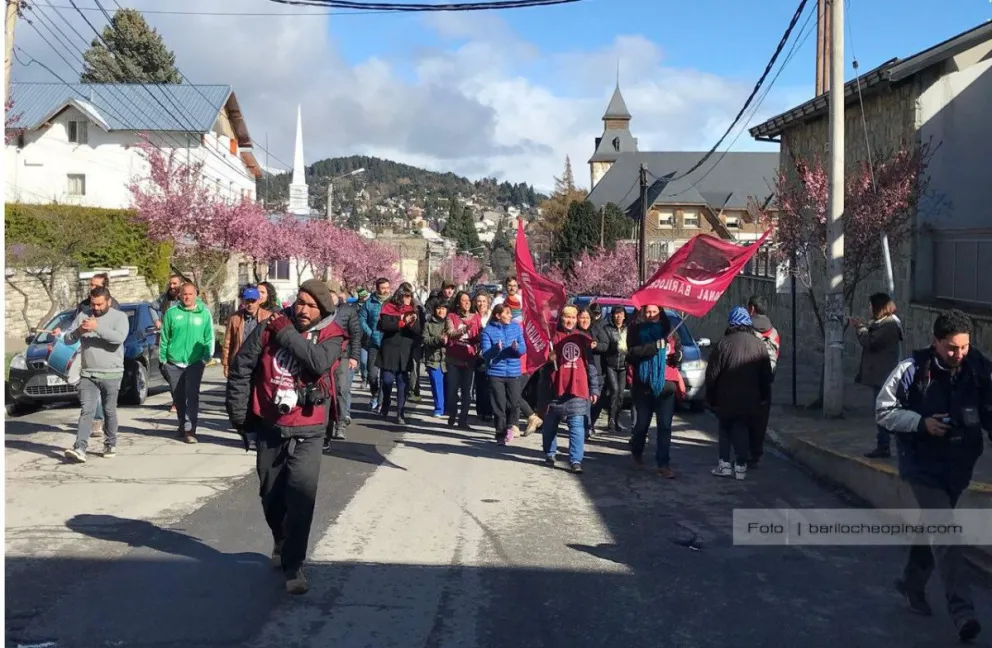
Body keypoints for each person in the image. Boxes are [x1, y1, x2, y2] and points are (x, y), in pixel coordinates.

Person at [876, 309, 991, 642]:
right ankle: (963, 612)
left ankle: (912, 583)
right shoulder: (912, 370)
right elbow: (883, 411)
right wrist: (920, 423)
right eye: (951, 348)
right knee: (946, 532)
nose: (959, 354)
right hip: (921, 464)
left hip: (960, 465)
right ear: (936, 342)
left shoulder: (980, 370)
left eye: (964, 347)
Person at [225, 279, 345, 596]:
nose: (302, 309)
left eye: (310, 305)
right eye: (299, 302)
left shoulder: (332, 333)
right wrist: (239, 416)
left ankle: (294, 566)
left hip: (310, 427)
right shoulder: (268, 328)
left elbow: (318, 362)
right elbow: (242, 367)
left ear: (323, 310)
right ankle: (280, 538)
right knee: (270, 494)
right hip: (270, 423)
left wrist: (285, 332)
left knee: (301, 497)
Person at [704, 307, 773, 481]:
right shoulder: (759, 345)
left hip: (725, 397)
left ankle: (725, 464)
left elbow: (712, 374)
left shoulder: (724, 344)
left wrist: (710, 396)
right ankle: (741, 466)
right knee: (742, 428)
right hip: (751, 398)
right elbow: (766, 375)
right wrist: (763, 397)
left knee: (726, 429)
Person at [61, 286, 129, 463]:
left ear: (108, 301)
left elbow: (118, 339)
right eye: (93, 304)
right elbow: (67, 338)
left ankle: (110, 443)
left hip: (112, 373)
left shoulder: (119, 317)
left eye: (99, 304)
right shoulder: (83, 315)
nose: (96, 308)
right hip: (88, 373)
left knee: (109, 410)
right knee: (87, 411)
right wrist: (79, 332)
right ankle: (80, 448)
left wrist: (97, 327)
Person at [540, 305, 601, 473]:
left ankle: (575, 460)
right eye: (567, 317)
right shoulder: (552, 338)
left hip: (578, 389)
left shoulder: (583, 339)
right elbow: (542, 365)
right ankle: (550, 453)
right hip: (555, 389)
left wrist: (594, 388)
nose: (570, 320)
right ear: (561, 318)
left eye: (573, 317)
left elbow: (591, 367)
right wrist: (548, 358)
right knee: (550, 426)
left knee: (577, 427)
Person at [626, 304, 683, 479]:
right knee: (642, 424)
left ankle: (663, 464)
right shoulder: (636, 330)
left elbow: (678, 352)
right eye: (647, 312)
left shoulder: (669, 330)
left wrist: (677, 357)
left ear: (660, 312)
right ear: (643, 313)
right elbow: (631, 354)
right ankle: (637, 453)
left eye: (654, 312)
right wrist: (654, 347)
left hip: (665, 385)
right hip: (643, 385)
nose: (651, 315)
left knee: (665, 426)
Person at [159, 282, 214, 443]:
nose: (187, 297)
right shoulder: (172, 313)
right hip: (174, 362)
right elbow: (164, 337)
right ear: (179, 295)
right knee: (178, 396)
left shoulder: (204, 313)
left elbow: (209, 337)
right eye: (184, 294)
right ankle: (182, 424)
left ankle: (191, 429)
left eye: (190, 294)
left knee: (192, 395)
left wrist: (206, 358)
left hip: (195, 362)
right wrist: (163, 359)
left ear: (195, 295)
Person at [853, 292, 904, 458]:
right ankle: (884, 445)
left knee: (884, 412)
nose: (869, 308)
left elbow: (871, 342)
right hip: (880, 374)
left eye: (871, 305)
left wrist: (860, 329)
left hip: (883, 375)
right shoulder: (883, 323)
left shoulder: (889, 325)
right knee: (883, 411)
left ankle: (885, 446)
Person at [376, 286, 423, 425]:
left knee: (402, 383)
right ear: (399, 296)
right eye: (405, 296)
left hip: (405, 349)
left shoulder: (414, 310)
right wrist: (402, 322)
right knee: (387, 380)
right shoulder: (388, 307)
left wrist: (412, 322)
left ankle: (400, 412)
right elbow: (385, 325)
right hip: (389, 348)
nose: (408, 299)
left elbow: (418, 331)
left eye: (410, 296)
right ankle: (386, 401)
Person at [481, 303, 526, 444]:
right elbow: (486, 354)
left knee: (514, 403)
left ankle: (510, 427)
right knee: (499, 404)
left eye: (511, 313)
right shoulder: (487, 331)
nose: (511, 316)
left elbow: (523, 349)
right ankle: (500, 433)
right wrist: (496, 349)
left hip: (513, 372)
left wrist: (516, 348)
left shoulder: (516, 328)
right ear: (498, 315)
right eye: (507, 313)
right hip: (496, 372)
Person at [324, 284, 362, 446]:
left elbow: (356, 334)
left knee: (341, 389)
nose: (331, 297)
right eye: (328, 294)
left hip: (343, 356)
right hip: (323, 356)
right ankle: (325, 428)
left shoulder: (348, 311)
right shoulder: (319, 310)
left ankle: (340, 423)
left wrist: (354, 356)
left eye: (333, 294)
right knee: (325, 392)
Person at [746, 295, 780, 468]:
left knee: (744, 419)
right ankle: (756, 453)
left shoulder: (745, 330)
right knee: (760, 420)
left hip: (746, 381)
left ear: (751, 309)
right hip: (766, 382)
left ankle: (743, 452)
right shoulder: (774, 333)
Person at [445, 291, 480, 429]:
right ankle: (452, 413)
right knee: (453, 390)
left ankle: (463, 419)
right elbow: (450, 333)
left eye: (468, 300)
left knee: (467, 391)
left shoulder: (475, 317)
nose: (467, 303)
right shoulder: (451, 316)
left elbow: (479, 334)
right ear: (458, 303)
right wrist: (465, 329)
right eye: (463, 300)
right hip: (454, 358)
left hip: (469, 358)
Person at [222, 285, 273, 378]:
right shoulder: (234, 318)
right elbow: (228, 343)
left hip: (260, 363)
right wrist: (226, 364)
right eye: (247, 301)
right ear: (243, 301)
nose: (250, 304)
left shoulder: (268, 317)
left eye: (253, 301)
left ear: (258, 301)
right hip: (240, 362)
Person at [360, 278, 390, 412]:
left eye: (387, 287)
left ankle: (381, 402)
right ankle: (375, 394)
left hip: (388, 343)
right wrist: (370, 333)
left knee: (385, 376)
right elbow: (361, 319)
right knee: (372, 374)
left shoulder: (392, 302)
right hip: (373, 343)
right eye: (383, 288)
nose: (386, 290)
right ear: (377, 288)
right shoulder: (369, 303)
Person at [597, 307, 628, 434]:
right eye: (616, 314)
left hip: (624, 366)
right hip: (611, 365)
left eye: (621, 314)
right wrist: (615, 346)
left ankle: (616, 418)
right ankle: (611, 420)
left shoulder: (628, 330)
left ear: (624, 316)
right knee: (614, 391)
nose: (618, 316)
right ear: (613, 315)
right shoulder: (608, 329)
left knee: (621, 393)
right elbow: (605, 346)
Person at [422, 298, 449, 418]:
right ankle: (439, 408)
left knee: (448, 385)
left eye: (443, 308)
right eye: (438, 308)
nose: (441, 311)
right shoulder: (428, 324)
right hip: (433, 360)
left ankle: (447, 407)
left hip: (448, 359)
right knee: (436, 383)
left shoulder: (450, 323)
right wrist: (438, 339)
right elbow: (425, 340)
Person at [473, 291, 494, 423]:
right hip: (476, 353)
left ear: (488, 303)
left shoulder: (492, 316)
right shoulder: (473, 316)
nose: (481, 304)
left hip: (490, 353)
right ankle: (480, 409)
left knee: (490, 383)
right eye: (479, 301)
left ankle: (489, 410)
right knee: (479, 383)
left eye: (484, 301)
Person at [355, 288, 371, 385]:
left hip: (372, 337)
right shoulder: (354, 307)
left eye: (366, 296)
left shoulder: (371, 306)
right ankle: (365, 378)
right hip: (361, 338)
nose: (365, 298)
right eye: (363, 296)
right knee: (363, 361)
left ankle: (371, 378)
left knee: (372, 361)